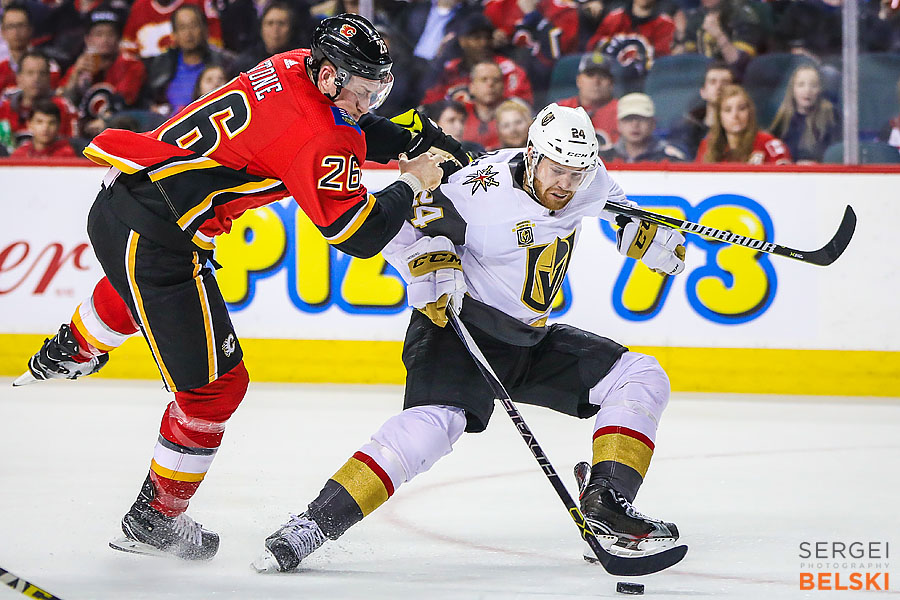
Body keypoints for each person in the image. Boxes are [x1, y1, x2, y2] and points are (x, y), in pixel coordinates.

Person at [13, 13, 470, 563]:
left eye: (379, 89)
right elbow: (358, 234)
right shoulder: (318, 133)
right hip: (157, 236)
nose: (370, 100)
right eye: (364, 89)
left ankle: (75, 346)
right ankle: (154, 519)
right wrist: (412, 178)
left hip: (138, 206)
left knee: (148, 299)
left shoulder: (290, 66)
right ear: (328, 78)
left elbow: (356, 126)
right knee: (215, 390)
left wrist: (418, 140)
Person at [252, 103, 686, 573]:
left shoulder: (588, 177)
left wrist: (642, 233)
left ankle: (605, 508)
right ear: (534, 155)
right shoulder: (477, 189)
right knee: (432, 428)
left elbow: (612, 204)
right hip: (457, 328)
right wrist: (427, 256)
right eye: (557, 169)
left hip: (527, 340)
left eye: (576, 173)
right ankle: (313, 523)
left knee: (639, 376)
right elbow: (397, 227)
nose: (565, 183)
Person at [144, 4, 234, 116]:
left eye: (194, 25)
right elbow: (150, 100)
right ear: (174, 35)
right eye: (182, 27)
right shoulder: (161, 64)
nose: (188, 33)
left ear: (205, 29)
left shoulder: (225, 62)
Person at [58, 8, 146, 108]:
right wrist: (75, 75)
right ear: (87, 39)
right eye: (99, 34)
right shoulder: (81, 65)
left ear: (119, 39)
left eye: (110, 34)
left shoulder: (132, 65)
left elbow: (124, 100)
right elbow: (63, 102)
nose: (105, 39)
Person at [697, 83, 791, 164]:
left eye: (741, 108)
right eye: (728, 110)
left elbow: (785, 177)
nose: (735, 115)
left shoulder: (769, 143)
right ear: (719, 116)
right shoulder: (707, 145)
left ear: (749, 112)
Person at [768, 64, 839, 164]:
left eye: (813, 85)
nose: (807, 90)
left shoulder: (831, 117)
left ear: (820, 90)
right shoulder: (783, 118)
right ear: (793, 89)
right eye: (801, 85)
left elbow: (836, 155)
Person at [600, 93, 688, 163]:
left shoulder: (672, 158)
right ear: (619, 124)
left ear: (653, 123)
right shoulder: (601, 158)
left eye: (641, 119)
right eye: (629, 119)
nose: (635, 125)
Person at [669, 60, 732, 158]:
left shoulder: (741, 129)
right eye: (712, 82)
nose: (719, 87)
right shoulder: (686, 129)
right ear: (703, 92)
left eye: (725, 83)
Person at [557, 57, 618, 148]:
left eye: (603, 76)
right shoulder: (561, 109)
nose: (596, 81)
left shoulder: (622, 111)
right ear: (578, 80)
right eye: (590, 75)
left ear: (611, 83)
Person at [9, 98, 78, 157]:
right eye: (39, 122)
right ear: (29, 124)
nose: (45, 128)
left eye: (51, 123)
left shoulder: (66, 154)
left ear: (59, 126)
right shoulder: (20, 154)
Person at [461, 60, 505, 150]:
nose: (490, 84)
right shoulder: (459, 114)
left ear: (503, 86)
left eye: (496, 80)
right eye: (484, 79)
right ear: (472, 87)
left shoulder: (516, 113)